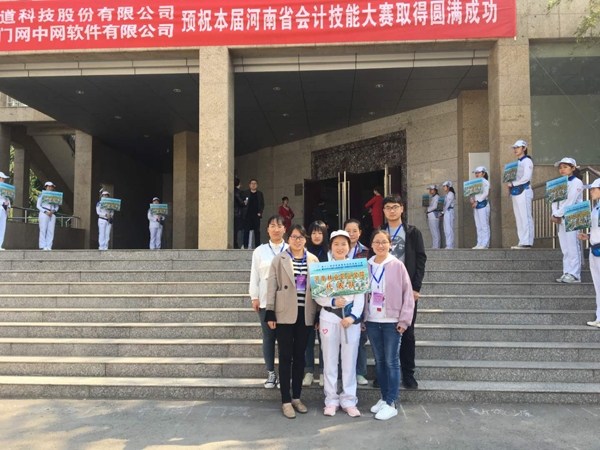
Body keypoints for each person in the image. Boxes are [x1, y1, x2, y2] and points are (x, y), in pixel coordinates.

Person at [265, 224, 319, 419]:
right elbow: (272, 285)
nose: (297, 240)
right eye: (294, 237)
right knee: (285, 357)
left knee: (300, 357)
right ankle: (286, 400)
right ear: (288, 239)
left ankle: (297, 397)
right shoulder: (279, 259)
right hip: (284, 314)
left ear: (306, 239)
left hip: (305, 314)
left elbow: (318, 288)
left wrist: (318, 313)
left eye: (301, 237)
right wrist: (270, 311)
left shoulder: (313, 259)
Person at [364, 229, 415, 421]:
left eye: (384, 242)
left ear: (390, 245)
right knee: (379, 361)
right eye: (376, 242)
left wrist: (404, 320)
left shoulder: (397, 265)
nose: (380, 245)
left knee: (391, 361)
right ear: (371, 245)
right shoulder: (366, 266)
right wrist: (362, 318)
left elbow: (408, 294)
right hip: (372, 320)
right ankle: (384, 398)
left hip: (392, 322)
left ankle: (392, 402)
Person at [314, 230, 364, 417]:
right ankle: (331, 399)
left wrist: (353, 316)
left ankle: (349, 399)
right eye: (336, 244)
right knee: (329, 360)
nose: (340, 247)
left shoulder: (356, 268)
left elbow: (360, 296)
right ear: (331, 247)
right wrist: (333, 301)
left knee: (349, 360)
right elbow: (318, 295)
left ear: (349, 246)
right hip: (329, 317)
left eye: (344, 244)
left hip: (349, 320)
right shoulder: (323, 268)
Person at [381, 193, 426, 390]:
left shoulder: (412, 232)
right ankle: (384, 373)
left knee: (407, 333)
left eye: (395, 207)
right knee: (383, 332)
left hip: (406, 291)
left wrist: (416, 287)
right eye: (388, 207)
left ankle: (408, 374)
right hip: (382, 290)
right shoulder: (379, 232)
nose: (391, 210)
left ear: (402, 209)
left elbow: (421, 259)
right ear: (383, 211)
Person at [249, 215, 288, 389]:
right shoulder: (260, 251)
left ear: (285, 229)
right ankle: (271, 373)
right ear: (267, 229)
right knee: (268, 337)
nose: (276, 229)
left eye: (279, 226)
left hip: (287, 300)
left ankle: (284, 373)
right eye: (272, 226)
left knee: (286, 339)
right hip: (265, 299)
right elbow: (255, 275)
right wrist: (254, 297)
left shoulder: (290, 248)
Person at [343, 218, 369, 387]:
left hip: (360, 298)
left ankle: (360, 372)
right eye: (348, 231)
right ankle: (344, 372)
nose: (351, 234)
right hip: (341, 300)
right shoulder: (337, 250)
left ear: (360, 233)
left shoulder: (366, 251)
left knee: (360, 340)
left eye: (355, 231)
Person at [303, 220, 329, 388]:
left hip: (326, 303)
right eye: (313, 233)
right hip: (307, 301)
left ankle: (323, 371)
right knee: (308, 339)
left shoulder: (329, 253)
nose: (317, 236)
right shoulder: (304, 253)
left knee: (325, 340)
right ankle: (309, 371)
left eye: (320, 233)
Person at [552, 158, 584, 283]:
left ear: (573, 168)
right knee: (565, 248)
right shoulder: (560, 183)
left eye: (565, 167)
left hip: (573, 216)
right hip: (562, 218)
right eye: (560, 168)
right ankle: (567, 272)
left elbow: (570, 201)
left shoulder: (577, 182)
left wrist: (557, 214)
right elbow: (554, 200)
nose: (562, 170)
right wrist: (555, 214)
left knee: (573, 246)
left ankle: (574, 274)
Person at [578, 179, 600, 327]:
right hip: (594, 249)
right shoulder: (596, 207)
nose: (591, 192)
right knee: (598, 286)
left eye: (594, 189)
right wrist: (588, 236)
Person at [507, 140, 535, 249]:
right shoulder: (517, 162)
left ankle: (527, 241)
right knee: (519, 217)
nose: (515, 150)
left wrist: (513, 184)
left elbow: (526, 177)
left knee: (525, 216)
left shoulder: (527, 161)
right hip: (516, 191)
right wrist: (510, 185)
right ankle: (522, 241)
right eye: (514, 148)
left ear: (524, 148)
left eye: (518, 147)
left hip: (524, 190)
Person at [471, 166, 491, 249]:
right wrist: (472, 199)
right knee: (478, 225)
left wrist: (477, 202)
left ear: (483, 173)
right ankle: (479, 243)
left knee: (484, 225)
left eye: (478, 172)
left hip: (483, 205)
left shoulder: (485, 182)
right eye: (476, 173)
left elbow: (485, 193)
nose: (477, 174)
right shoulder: (475, 183)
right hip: (476, 206)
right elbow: (472, 193)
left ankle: (485, 243)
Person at [243, 179, 265, 249]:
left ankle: (257, 246)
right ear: (249, 185)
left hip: (256, 215)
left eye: (255, 183)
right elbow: (242, 203)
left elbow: (262, 204)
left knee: (257, 231)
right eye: (252, 183)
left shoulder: (260, 194)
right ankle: (245, 245)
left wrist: (260, 212)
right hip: (247, 214)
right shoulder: (245, 193)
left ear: (257, 185)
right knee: (246, 230)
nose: (253, 185)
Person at [37, 181, 59, 251]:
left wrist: (53, 211)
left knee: (51, 230)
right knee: (43, 229)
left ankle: (49, 245)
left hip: (52, 213)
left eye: (51, 187)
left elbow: (57, 206)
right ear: (46, 187)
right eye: (49, 186)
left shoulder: (55, 196)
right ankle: (42, 245)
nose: (50, 188)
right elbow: (38, 205)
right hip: (44, 213)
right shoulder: (41, 195)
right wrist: (45, 211)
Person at [439, 181, 456, 249]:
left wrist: (442, 213)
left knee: (449, 229)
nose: (443, 188)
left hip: (449, 212)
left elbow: (447, 205)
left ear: (448, 187)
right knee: (446, 229)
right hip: (446, 212)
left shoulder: (451, 194)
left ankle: (450, 245)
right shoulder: (447, 194)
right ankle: (448, 244)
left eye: (444, 186)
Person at [424, 185, 441, 249]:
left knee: (435, 231)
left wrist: (428, 210)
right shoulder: (433, 197)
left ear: (435, 190)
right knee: (433, 232)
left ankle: (436, 246)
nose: (430, 191)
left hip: (434, 215)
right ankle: (435, 246)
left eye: (431, 189)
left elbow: (435, 206)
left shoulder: (437, 197)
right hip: (431, 215)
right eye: (430, 189)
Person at [0, 171, 11, 251]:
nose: (3, 180)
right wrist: (3, 203)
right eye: (2, 178)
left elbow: (8, 198)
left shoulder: (5, 188)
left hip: (4, 209)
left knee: (2, 227)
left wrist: (8, 207)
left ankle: (0, 245)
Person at [233, 178, 245, 249]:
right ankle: (235, 244)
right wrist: (244, 203)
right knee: (236, 230)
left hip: (233, 212)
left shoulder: (231, 191)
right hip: (237, 213)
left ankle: (234, 243)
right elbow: (241, 203)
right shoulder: (238, 192)